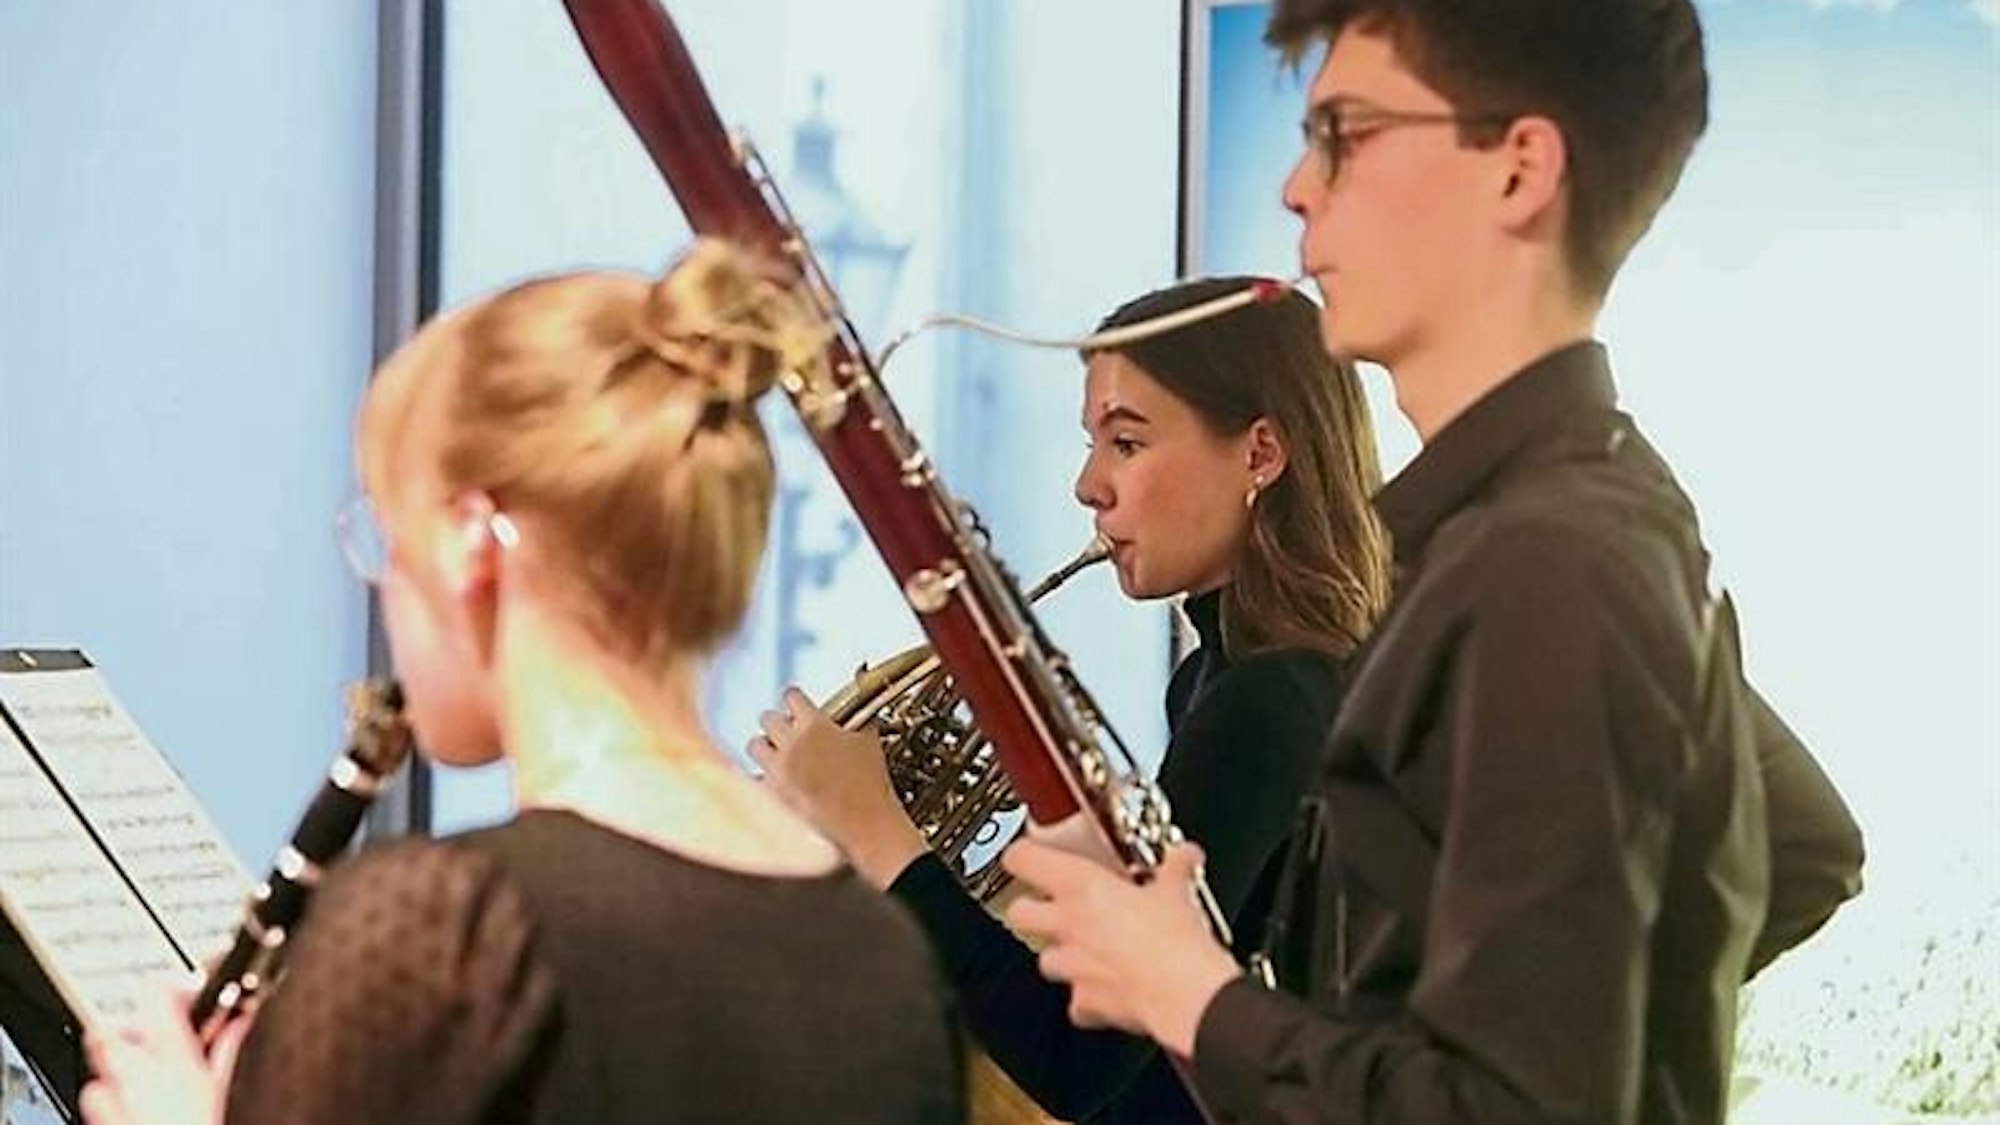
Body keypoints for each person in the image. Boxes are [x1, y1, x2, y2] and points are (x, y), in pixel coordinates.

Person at [999, 3, 1865, 1123]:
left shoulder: (1549, 565)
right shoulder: (1532, 529)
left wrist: (1190, 990)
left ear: (1515, 172)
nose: (1295, 191)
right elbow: (1790, 849)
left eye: (1345, 137)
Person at [79, 239, 967, 1125]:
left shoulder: (445, 934)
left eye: (389, 536)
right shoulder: (885, 957)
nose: (387, 585)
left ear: (471, 542)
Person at [750, 276, 1392, 1125]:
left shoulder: (1272, 700)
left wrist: (879, 831)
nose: (1088, 486)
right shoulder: (1217, 682)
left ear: (1260, 454)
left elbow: (1082, 1059)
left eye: (1126, 443)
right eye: (1093, 444)